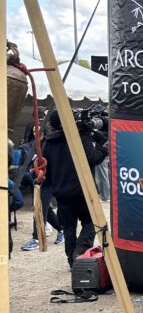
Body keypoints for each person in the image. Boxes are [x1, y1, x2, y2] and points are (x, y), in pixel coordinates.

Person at [41, 109, 106, 270]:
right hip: (82, 191)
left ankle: (72, 260)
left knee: (68, 227)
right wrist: (103, 149)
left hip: (61, 193)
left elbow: (46, 169)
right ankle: (79, 254)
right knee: (91, 223)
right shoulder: (78, 137)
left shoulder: (48, 142)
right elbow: (92, 158)